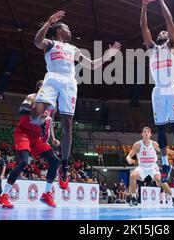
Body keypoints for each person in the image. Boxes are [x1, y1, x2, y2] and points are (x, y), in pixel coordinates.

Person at [32, 10, 121, 187]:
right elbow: (36, 41)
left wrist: (107, 56)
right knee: (35, 115)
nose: (70, 31)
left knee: (67, 123)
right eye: (67, 28)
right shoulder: (50, 44)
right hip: (52, 77)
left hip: (69, 83)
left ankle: (64, 165)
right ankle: (44, 122)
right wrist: (49, 21)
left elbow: (93, 65)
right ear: (58, 31)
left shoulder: (73, 49)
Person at [140, 0, 174, 186]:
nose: (162, 32)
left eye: (165, 33)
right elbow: (143, 27)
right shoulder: (152, 48)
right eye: (160, 33)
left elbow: (169, 22)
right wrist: (144, 5)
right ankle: (166, 164)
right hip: (158, 91)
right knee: (160, 129)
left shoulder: (173, 46)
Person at [0, 80, 61, 209]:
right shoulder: (32, 97)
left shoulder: (53, 105)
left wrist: (52, 138)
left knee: (54, 160)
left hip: (36, 136)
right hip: (23, 132)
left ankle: (46, 193)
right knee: (23, 162)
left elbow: (49, 121)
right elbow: (22, 110)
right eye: (45, 87)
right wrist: (39, 112)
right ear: (39, 89)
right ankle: (2, 197)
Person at [126, 126, 174, 207]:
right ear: (142, 134)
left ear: (150, 134)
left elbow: (164, 151)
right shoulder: (138, 144)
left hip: (152, 166)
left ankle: (173, 198)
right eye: (144, 131)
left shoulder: (153, 143)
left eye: (148, 131)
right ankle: (133, 198)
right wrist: (129, 159)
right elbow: (128, 155)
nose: (146, 132)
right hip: (142, 167)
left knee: (160, 179)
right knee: (132, 175)